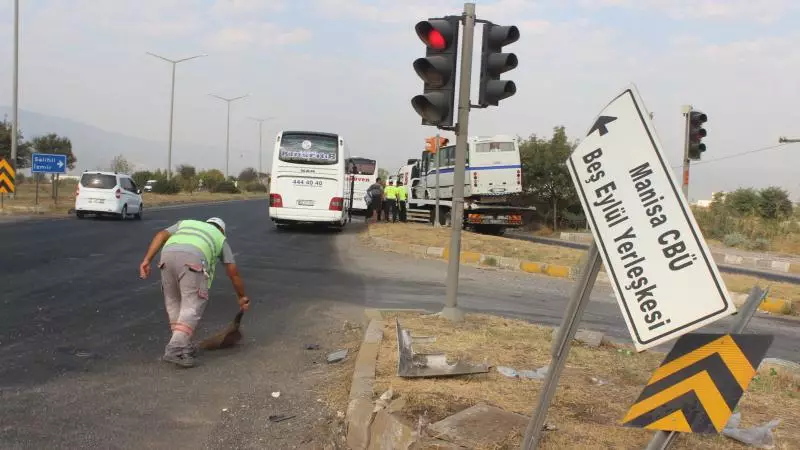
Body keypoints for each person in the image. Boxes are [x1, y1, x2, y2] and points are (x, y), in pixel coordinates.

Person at [138, 217, 250, 368]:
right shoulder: (219, 237)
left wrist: (147, 260)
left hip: (167, 256)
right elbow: (232, 272)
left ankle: (182, 344)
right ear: (222, 230)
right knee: (192, 305)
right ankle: (175, 348)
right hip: (192, 259)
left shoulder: (185, 223)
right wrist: (241, 296)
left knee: (174, 302)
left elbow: (160, 235)